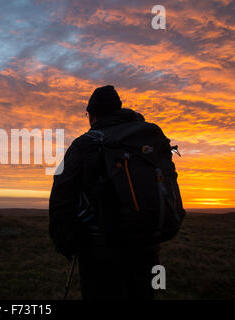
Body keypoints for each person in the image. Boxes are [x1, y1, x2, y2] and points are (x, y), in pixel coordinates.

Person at [49, 85, 183, 300]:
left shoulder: (85, 144)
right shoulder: (147, 137)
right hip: (147, 246)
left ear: (92, 114)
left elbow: (61, 196)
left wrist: (66, 242)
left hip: (100, 251)